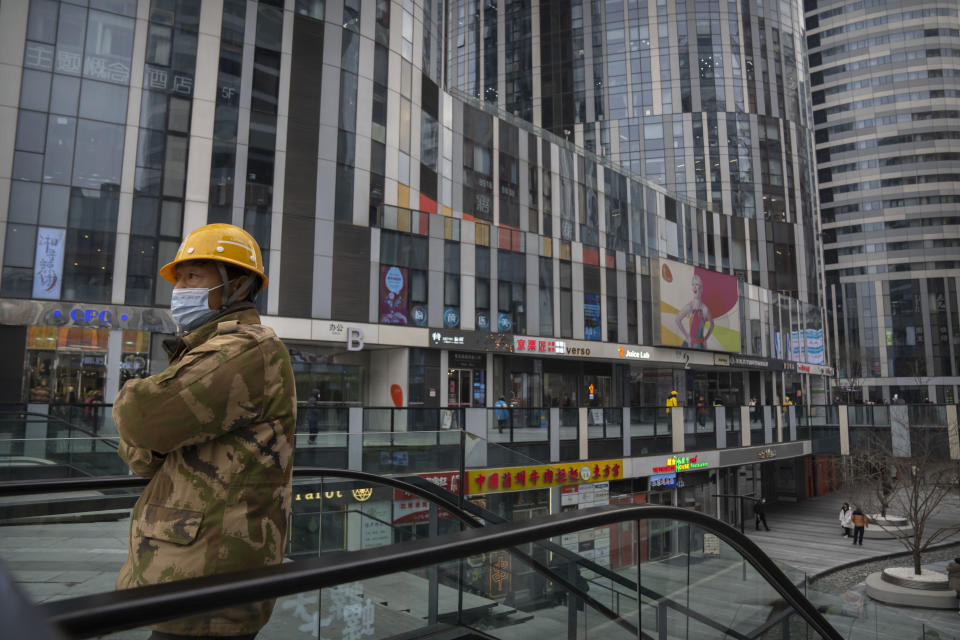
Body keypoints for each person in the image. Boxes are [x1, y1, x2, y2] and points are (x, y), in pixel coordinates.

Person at [113, 224, 296, 639]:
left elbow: (139, 416)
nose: (180, 288)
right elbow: (146, 453)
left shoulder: (245, 349)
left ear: (240, 284)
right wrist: (151, 438)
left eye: (194, 276)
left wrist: (137, 411)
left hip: (207, 578)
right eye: (179, 278)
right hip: (193, 570)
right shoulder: (207, 349)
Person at [676, 274, 714, 349]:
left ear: (701, 288)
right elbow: (677, 319)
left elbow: (712, 325)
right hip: (691, 344)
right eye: (693, 284)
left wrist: (705, 339)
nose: (694, 286)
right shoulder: (689, 307)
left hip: (701, 345)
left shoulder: (705, 309)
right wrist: (687, 336)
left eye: (697, 284)